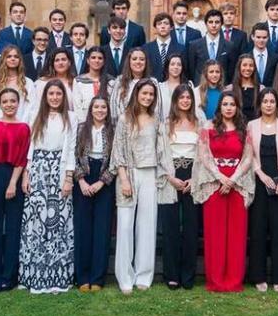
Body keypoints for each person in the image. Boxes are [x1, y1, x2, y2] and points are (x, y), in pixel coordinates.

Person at [111, 79, 175, 294]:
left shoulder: (157, 120)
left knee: (147, 226)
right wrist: (124, 179)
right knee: (126, 225)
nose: (147, 97)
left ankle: (144, 276)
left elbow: (162, 150)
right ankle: (125, 276)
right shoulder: (124, 119)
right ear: (136, 94)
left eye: (151, 94)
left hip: (150, 174)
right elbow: (118, 151)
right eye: (144, 93)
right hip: (128, 174)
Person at [191, 92, 255, 292]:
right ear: (219, 107)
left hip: (237, 183)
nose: (229, 107)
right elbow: (203, 155)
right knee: (215, 233)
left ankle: (234, 280)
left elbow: (248, 158)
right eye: (225, 104)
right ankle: (216, 280)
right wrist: (220, 178)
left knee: (237, 234)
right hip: (214, 183)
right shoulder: (208, 127)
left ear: (237, 107)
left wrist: (233, 179)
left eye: (232, 104)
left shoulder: (244, 129)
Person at [20, 79, 78, 294]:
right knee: (36, 223)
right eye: (51, 94)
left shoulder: (71, 117)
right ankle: (34, 274)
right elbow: (29, 148)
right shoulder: (35, 115)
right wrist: (26, 175)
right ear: (45, 96)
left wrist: (68, 177)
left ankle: (57, 274)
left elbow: (71, 149)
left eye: (58, 94)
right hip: (38, 171)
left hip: (59, 171)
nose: (54, 97)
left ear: (64, 97)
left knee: (58, 223)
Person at [246, 89, 278, 293]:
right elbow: (249, 153)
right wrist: (261, 174)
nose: (268, 104)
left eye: (272, 101)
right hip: (258, 181)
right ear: (260, 104)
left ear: (277, 104)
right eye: (265, 101)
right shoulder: (251, 125)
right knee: (257, 230)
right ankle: (258, 276)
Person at [0, 88, 30, 292]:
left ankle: (9, 276)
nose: (9, 104)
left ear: (18, 103)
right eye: (5, 101)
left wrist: (13, 183)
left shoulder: (24, 128)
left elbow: (22, 157)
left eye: (13, 101)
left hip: (14, 176)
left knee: (13, 228)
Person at [160, 85, 204, 290]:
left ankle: (188, 275)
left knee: (191, 227)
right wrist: (170, 177)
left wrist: (195, 179)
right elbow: (159, 153)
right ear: (175, 100)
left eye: (188, 97)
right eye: (182, 97)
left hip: (192, 176)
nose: (185, 100)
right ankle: (171, 274)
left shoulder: (199, 122)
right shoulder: (166, 124)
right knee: (170, 227)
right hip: (171, 176)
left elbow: (205, 154)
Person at [73, 97, 116, 292]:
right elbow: (72, 155)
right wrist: (81, 180)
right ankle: (82, 277)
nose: (100, 110)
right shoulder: (81, 128)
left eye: (103, 107)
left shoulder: (113, 130)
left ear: (107, 110)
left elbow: (116, 159)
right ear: (91, 109)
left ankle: (98, 278)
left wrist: (101, 182)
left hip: (103, 179)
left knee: (102, 229)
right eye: (96, 107)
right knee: (83, 228)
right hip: (84, 176)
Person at [0, 45, 34, 122]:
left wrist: (20, 125)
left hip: (22, 127)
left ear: (20, 60)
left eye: (16, 56)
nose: (13, 59)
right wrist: (2, 124)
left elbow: (31, 108)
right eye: (9, 56)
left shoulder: (28, 83)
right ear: (3, 59)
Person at [187, 9, 234, 85]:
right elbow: (191, 70)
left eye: (217, 22)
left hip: (221, 89)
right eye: (210, 22)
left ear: (221, 24)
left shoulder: (229, 46)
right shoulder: (194, 45)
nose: (214, 25)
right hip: (200, 88)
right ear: (206, 24)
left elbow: (231, 71)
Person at [108, 48, 158, 120]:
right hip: (124, 126)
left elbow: (157, 108)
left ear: (146, 62)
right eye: (134, 59)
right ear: (129, 62)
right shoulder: (120, 81)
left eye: (142, 59)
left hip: (147, 126)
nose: (138, 62)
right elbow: (114, 109)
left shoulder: (153, 82)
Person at [72, 46, 113, 121]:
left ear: (104, 61)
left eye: (100, 58)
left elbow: (112, 105)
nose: (97, 60)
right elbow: (77, 107)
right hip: (85, 124)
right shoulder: (79, 81)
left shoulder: (111, 81)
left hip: (106, 124)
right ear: (88, 60)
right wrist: (84, 125)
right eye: (93, 57)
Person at [32, 48, 76, 115]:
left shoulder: (75, 82)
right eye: (57, 60)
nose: (60, 63)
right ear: (52, 64)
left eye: (63, 59)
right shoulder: (42, 83)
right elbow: (36, 107)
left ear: (69, 62)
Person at [142, 12, 182, 80]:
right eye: (159, 24)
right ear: (155, 27)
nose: (163, 26)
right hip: (152, 86)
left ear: (172, 27)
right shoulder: (146, 48)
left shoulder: (181, 48)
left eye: (166, 23)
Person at [158, 53, 198, 119]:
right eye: (172, 64)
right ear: (167, 67)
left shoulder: (189, 85)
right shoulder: (160, 87)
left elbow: (194, 107)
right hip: (165, 125)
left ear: (182, 67)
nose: (176, 67)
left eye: (179, 65)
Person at [227, 54, 260, 120]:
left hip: (255, 127)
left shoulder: (261, 89)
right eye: (244, 65)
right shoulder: (229, 89)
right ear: (239, 67)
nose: (248, 68)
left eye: (251, 65)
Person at [249, 23, 278, 87]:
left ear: (268, 38)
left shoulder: (276, 58)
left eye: (264, 37)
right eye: (258, 37)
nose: (261, 40)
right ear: (252, 37)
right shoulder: (246, 57)